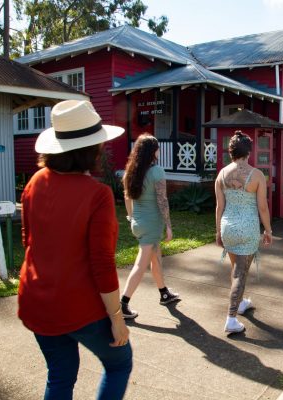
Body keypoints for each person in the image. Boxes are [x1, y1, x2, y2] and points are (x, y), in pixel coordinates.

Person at [18, 100, 132, 400]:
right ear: (91, 150)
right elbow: (102, 264)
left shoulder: (34, 182)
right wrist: (117, 319)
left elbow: (28, 240)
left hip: (37, 301)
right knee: (119, 363)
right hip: (81, 307)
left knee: (60, 375)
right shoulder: (98, 194)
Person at [215, 131, 273, 334]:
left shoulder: (221, 174)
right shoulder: (256, 175)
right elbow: (263, 207)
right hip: (247, 228)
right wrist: (268, 229)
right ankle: (231, 319)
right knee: (241, 273)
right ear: (248, 151)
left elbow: (219, 207)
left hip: (228, 227)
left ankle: (239, 303)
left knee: (236, 269)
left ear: (231, 152)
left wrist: (218, 232)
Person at [120, 134, 180, 319]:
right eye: (158, 148)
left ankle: (163, 292)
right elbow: (163, 201)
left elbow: (127, 197)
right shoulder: (157, 171)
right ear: (153, 151)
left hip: (138, 223)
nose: (159, 151)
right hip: (152, 225)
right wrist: (168, 226)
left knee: (155, 258)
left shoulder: (132, 171)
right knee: (140, 264)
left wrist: (131, 218)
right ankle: (123, 304)